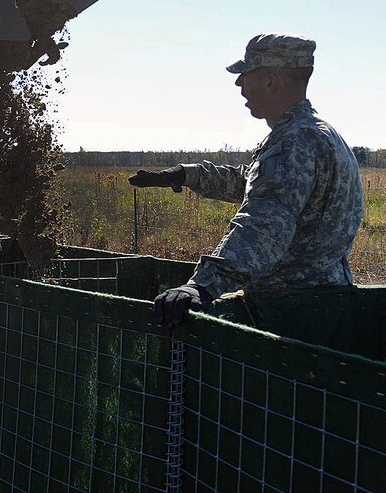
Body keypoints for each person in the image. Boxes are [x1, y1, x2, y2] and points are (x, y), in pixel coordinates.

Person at [129, 33, 364, 326]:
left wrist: (203, 285)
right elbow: (254, 181)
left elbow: (264, 225)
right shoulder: (313, 133)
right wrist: (188, 174)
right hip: (320, 303)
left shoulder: (295, 142)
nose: (238, 83)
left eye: (245, 74)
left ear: (270, 81)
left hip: (298, 312)